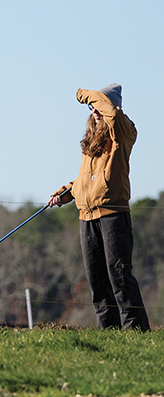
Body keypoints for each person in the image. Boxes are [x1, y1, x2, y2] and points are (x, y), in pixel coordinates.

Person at [47, 83, 150, 331]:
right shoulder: (91, 141)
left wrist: (84, 95)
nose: (94, 109)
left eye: (98, 105)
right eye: (92, 107)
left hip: (113, 215)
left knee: (120, 277)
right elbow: (87, 179)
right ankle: (109, 333)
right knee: (97, 282)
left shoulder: (123, 131)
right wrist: (67, 193)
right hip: (86, 216)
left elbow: (111, 113)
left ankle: (135, 331)